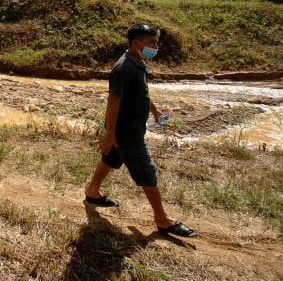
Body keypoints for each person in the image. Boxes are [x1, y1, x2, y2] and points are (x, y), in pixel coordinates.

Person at [84, 23, 198, 237]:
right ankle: (162, 220)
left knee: (111, 159)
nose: (156, 46)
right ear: (136, 43)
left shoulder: (138, 62)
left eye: (156, 42)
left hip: (131, 128)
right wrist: (110, 133)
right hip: (126, 132)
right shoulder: (124, 68)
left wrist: (153, 111)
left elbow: (140, 94)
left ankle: (92, 191)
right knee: (147, 171)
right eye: (151, 43)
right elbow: (113, 101)